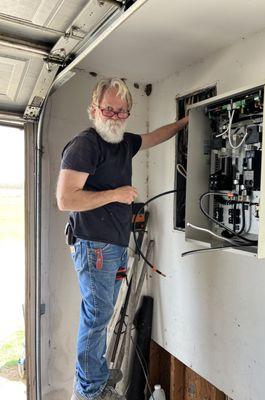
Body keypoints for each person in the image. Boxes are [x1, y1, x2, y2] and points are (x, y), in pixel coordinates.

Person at [56, 78, 188, 400]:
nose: (114, 116)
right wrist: (115, 194)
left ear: (128, 113)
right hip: (94, 246)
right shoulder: (86, 145)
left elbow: (155, 136)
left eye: (121, 111)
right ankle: (90, 391)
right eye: (108, 109)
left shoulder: (124, 143)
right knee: (98, 315)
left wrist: (185, 122)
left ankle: (95, 376)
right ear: (94, 109)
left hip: (112, 246)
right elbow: (66, 199)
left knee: (101, 314)